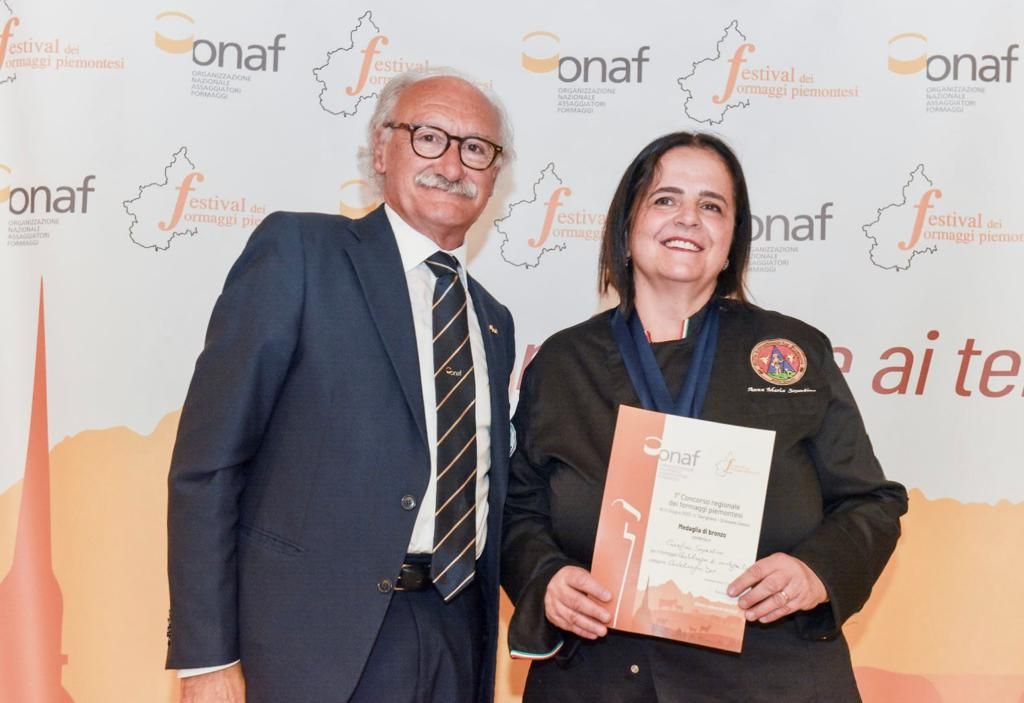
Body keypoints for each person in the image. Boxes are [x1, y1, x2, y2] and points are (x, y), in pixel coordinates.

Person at [500, 131, 908, 702]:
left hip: (771, 676)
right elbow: (518, 510)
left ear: (732, 239)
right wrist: (545, 579)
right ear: (626, 225)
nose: (688, 218)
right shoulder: (563, 363)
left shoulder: (791, 352)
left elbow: (872, 502)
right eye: (665, 199)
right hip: (601, 677)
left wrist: (816, 571)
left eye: (711, 206)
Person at [166, 69, 517, 703]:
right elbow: (208, 465)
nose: (452, 164)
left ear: (494, 175)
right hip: (311, 647)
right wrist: (207, 658)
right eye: (429, 137)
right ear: (382, 149)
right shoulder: (301, 253)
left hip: (454, 637)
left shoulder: (493, 320)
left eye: (476, 148)